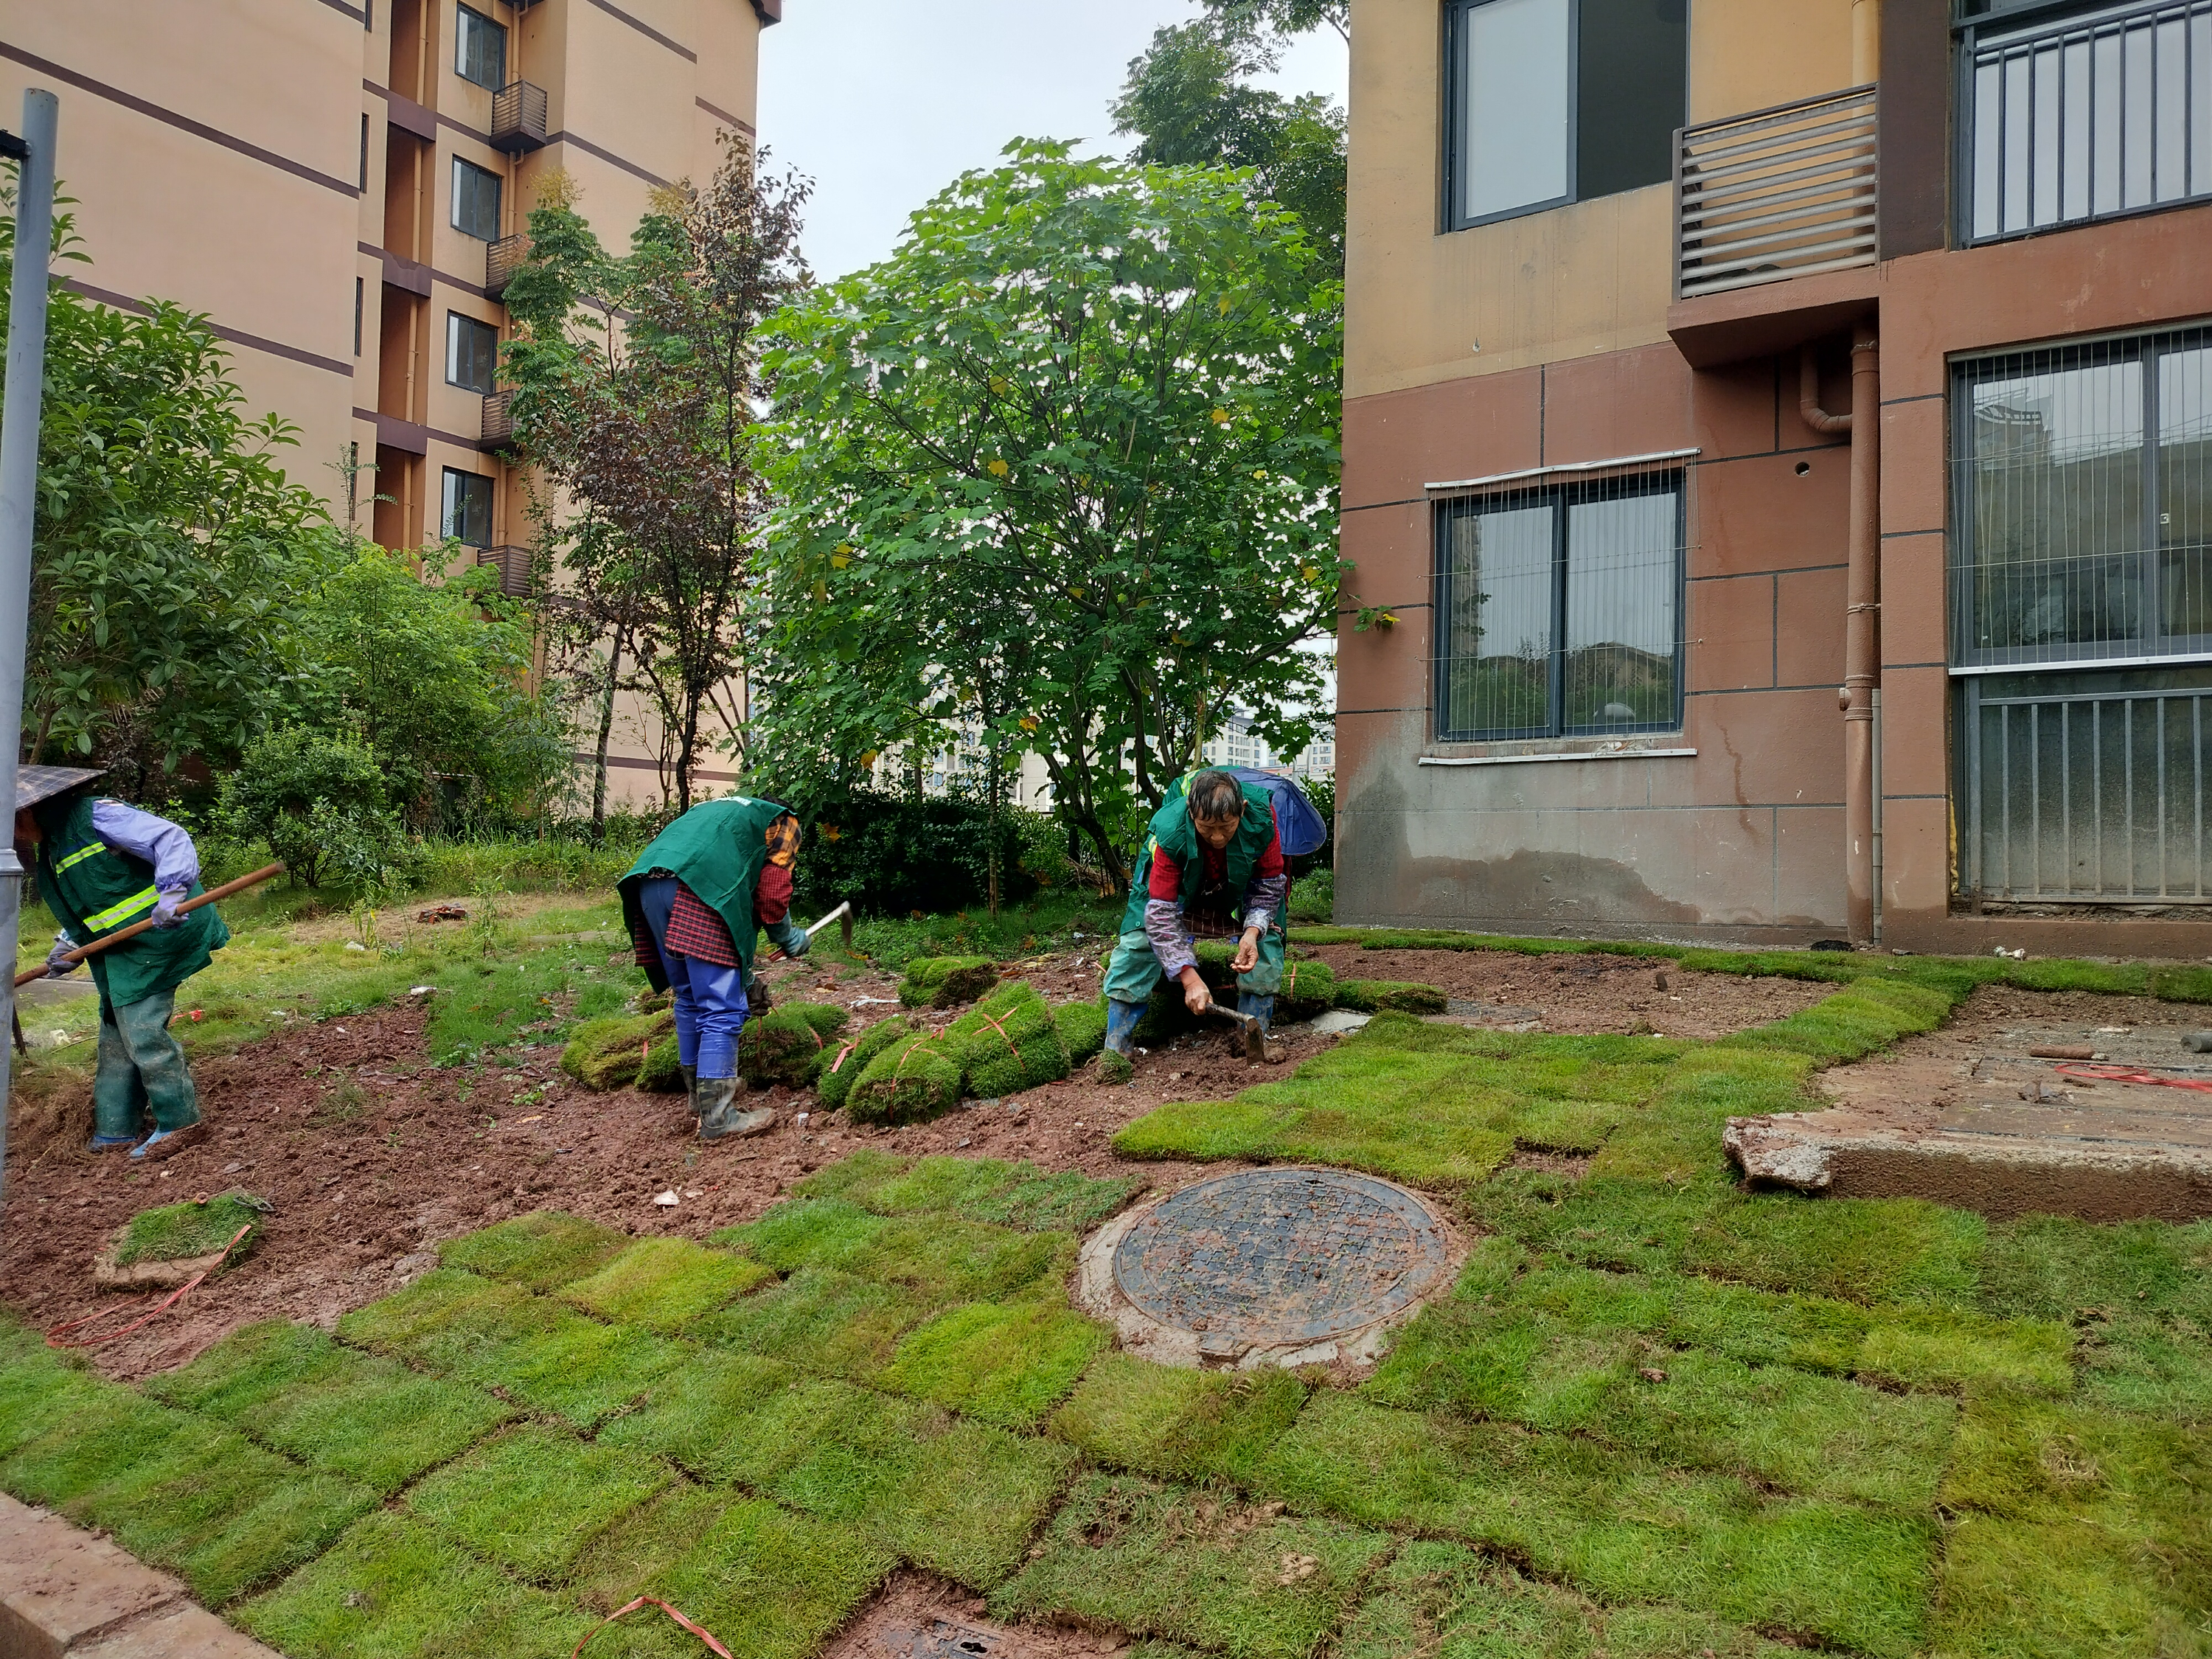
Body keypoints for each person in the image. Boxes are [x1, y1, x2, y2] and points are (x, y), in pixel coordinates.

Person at [15, 766, 231, 1159]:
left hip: (164, 934)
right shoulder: (52, 846)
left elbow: (170, 837)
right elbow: (92, 901)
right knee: (116, 1029)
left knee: (142, 1029)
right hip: (125, 948)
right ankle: (116, 1128)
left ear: (27, 810)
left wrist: (173, 892)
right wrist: (67, 944)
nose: (11, 834)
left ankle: (180, 1123)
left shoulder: (98, 815)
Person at [618, 793, 810, 1140]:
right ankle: (718, 1117)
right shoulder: (784, 820)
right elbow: (770, 895)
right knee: (722, 1009)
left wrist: (745, 980)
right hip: (698, 889)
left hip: (649, 884)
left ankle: (700, 1096)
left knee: (690, 996)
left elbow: (743, 905)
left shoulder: (715, 811)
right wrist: (789, 937)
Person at [1102, 768, 1287, 1059]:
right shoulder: (1169, 832)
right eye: (1207, 827)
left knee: (1268, 942)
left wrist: (1252, 933)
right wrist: (1189, 978)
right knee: (1138, 944)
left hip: (1234, 884)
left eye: (1226, 826)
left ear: (1243, 810)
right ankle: (1116, 1048)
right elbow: (1161, 914)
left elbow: (1268, 881)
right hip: (1177, 889)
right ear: (1191, 812)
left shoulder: (1262, 819)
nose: (1217, 837)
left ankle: (1253, 1038)